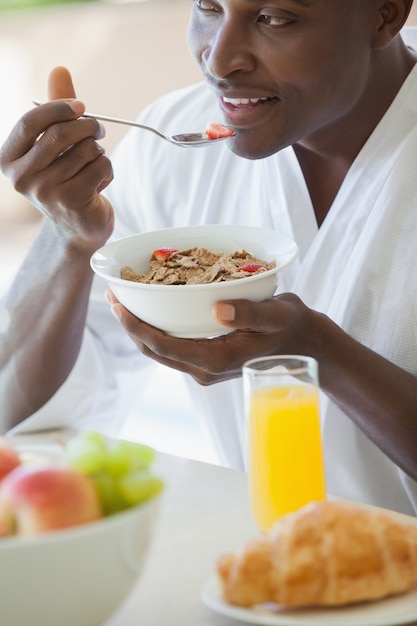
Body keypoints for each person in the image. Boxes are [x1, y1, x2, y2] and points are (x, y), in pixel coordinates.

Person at [1, 0, 417, 515]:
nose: (219, 61)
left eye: (274, 18)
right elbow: (15, 415)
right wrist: (67, 237)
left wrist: (323, 355)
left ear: (386, 15)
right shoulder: (170, 142)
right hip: (262, 573)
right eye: (208, 7)